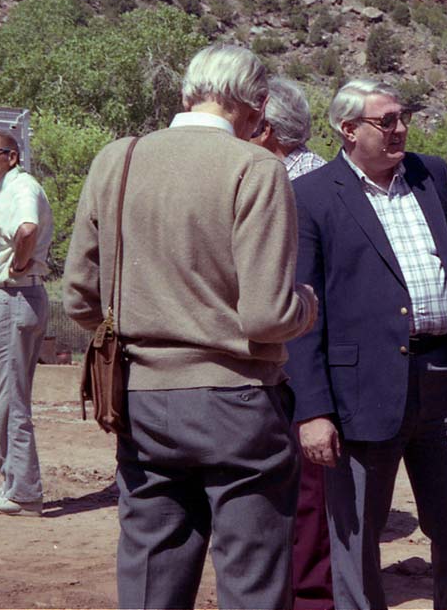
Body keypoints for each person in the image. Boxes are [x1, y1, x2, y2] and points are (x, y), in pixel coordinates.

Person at [63, 43, 318, 610]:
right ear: (255, 110)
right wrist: (308, 304)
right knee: (252, 584)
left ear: (186, 94)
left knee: (152, 577)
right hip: (239, 406)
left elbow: (80, 298)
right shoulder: (257, 168)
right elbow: (266, 315)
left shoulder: (117, 159)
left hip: (142, 402)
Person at [287, 79, 447, 610]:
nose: (399, 129)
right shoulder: (311, 196)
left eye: (402, 117)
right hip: (361, 391)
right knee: (356, 534)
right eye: (385, 121)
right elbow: (303, 314)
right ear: (348, 130)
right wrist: (313, 410)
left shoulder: (432, 175)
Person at [250, 75, 333, 610]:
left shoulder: (295, 187)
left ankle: (308, 595)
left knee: (306, 488)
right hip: (297, 350)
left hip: (299, 355)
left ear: (267, 130)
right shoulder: (322, 174)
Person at [0, 129, 53, 517]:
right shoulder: (8, 191)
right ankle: (12, 480)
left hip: (11, 296)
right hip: (12, 298)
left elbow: (27, 229)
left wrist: (17, 266)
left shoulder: (21, 188)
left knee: (9, 400)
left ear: (13, 157)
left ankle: (23, 494)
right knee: (6, 398)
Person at [252, 76, 327, 179]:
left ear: (266, 129)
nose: (241, 132)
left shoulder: (307, 178)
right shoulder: (273, 170)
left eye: (249, 122)